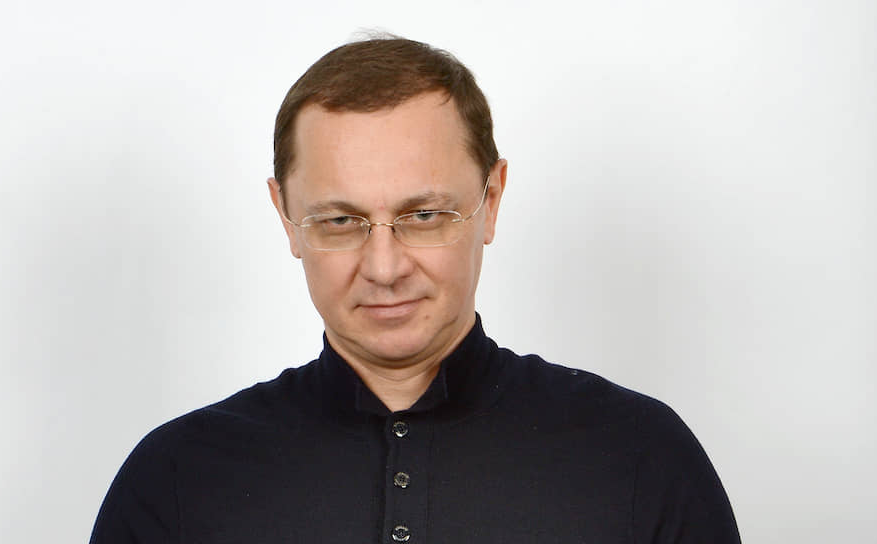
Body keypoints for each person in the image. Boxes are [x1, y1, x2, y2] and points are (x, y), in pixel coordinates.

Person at [90, 36, 740, 543]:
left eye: (424, 215)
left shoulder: (640, 459)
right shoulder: (177, 481)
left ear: (491, 200)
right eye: (339, 221)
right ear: (286, 217)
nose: (384, 267)